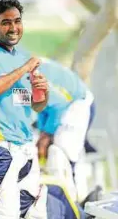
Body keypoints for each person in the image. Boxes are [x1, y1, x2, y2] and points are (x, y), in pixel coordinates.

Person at [0, 0, 49, 218]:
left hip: (26, 147)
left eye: (17, 21)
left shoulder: (23, 55)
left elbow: (36, 105)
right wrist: (23, 69)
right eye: (6, 22)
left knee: (34, 212)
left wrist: (43, 90)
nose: (13, 27)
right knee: (4, 214)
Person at [36, 58, 95, 201]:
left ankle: (76, 204)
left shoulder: (30, 76)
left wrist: (46, 135)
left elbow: (57, 105)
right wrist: (42, 131)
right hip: (63, 105)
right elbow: (42, 108)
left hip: (76, 104)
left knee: (62, 151)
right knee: (52, 151)